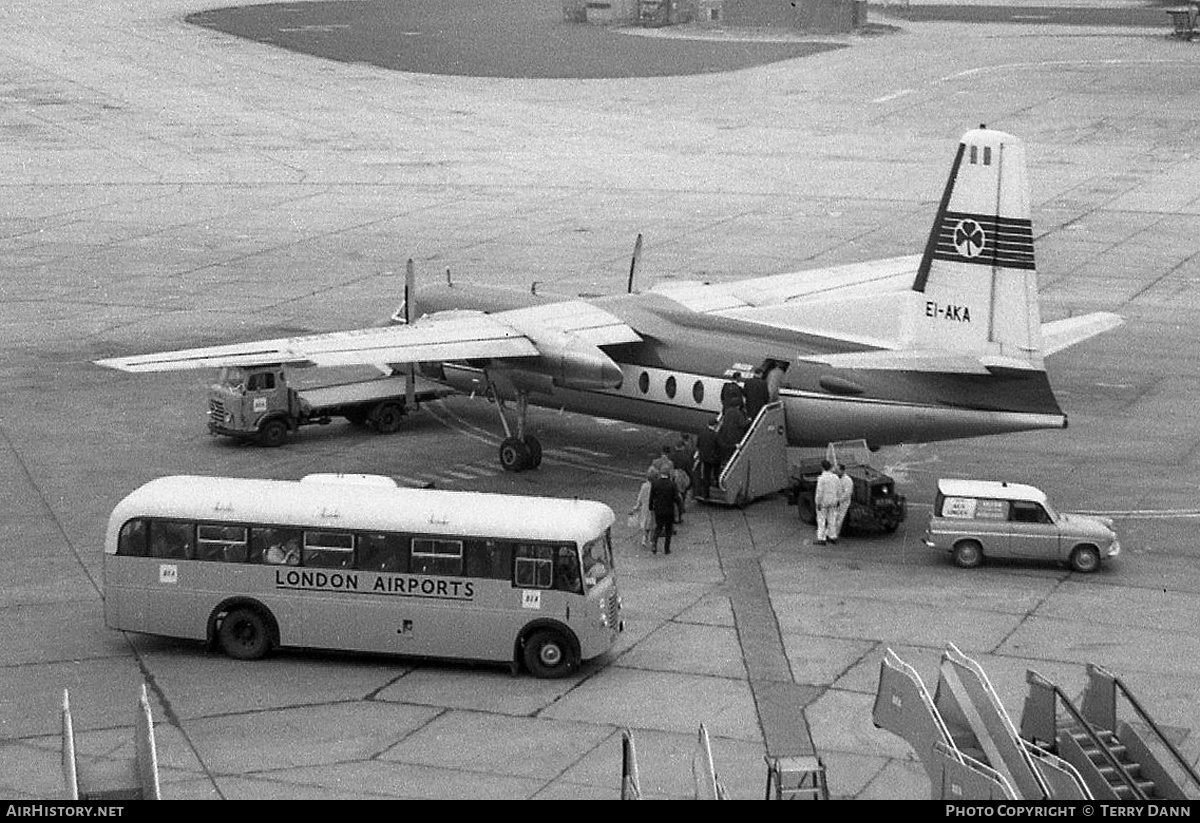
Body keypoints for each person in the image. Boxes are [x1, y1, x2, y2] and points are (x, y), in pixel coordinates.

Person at [649, 466, 678, 555]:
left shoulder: (655, 483)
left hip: (659, 509)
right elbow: (676, 498)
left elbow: (652, 497)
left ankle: (654, 543)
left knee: (658, 527)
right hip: (669, 510)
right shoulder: (672, 484)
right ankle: (666, 548)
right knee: (668, 529)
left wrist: (650, 507)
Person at [813, 460, 840, 546]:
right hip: (833, 501)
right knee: (832, 519)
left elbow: (819, 492)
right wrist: (838, 500)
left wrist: (818, 502)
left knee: (821, 520)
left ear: (822, 467)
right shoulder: (835, 477)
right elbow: (839, 490)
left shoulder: (821, 478)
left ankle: (821, 539)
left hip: (824, 502)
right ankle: (832, 537)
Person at [629, 468, 656, 548]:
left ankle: (644, 538)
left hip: (645, 507)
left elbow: (640, 497)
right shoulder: (656, 486)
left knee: (645, 523)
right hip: (653, 508)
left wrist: (637, 506)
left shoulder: (644, 486)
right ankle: (651, 540)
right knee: (652, 524)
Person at [695, 419, 721, 498]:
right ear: (715, 425)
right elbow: (720, 445)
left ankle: (706, 494)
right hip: (715, 459)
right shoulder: (716, 435)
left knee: (706, 475)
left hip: (704, 458)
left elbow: (698, 445)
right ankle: (717, 485)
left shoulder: (702, 434)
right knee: (716, 473)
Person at [832, 463, 854, 544]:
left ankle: (834, 536)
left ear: (842, 470)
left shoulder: (848, 480)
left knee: (839, 520)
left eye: (838, 470)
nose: (836, 472)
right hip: (835, 502)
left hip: (843, 504)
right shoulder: (836, 479)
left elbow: (847, 493)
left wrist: (839, 500)